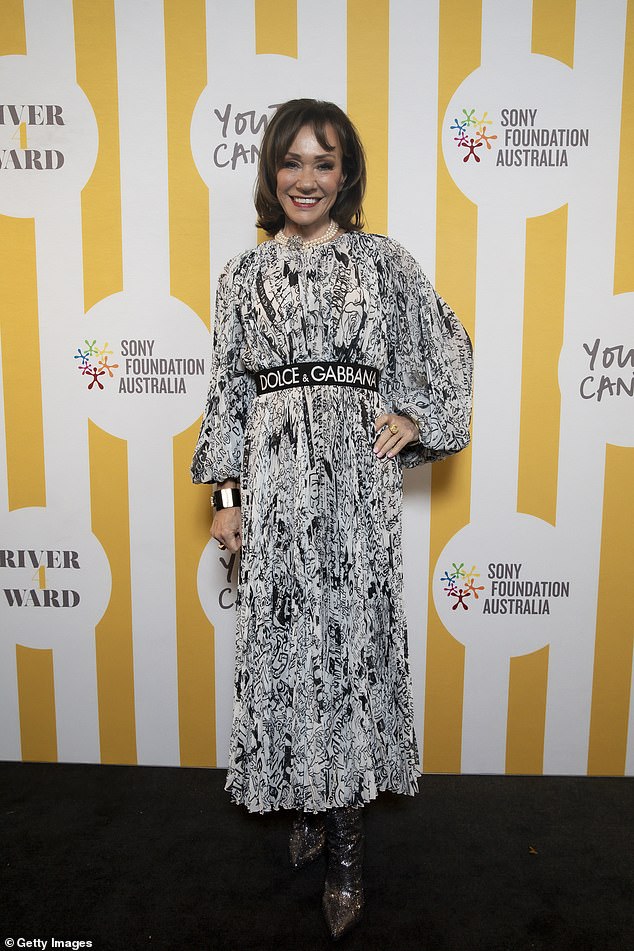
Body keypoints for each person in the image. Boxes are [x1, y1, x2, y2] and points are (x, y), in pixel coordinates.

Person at [191, 98, 472, 940]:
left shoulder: (383, 263)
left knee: (349, 651)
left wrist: (418, 418)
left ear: (345, 175)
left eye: (324, 162)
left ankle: (347, 845)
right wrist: (228, 501)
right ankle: (302, 799)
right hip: (274, 489)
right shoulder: (242, 276)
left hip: (355, 491)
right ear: (270, 171)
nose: (306, 178)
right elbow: (227, 398)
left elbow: (447, 346)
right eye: (292, 161)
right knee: (284, 650)